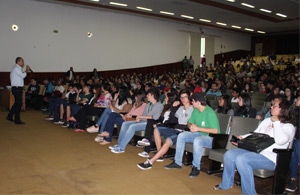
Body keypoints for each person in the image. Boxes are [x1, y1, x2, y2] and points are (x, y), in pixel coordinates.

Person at [214, 98, 295, 194]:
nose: (271, 107)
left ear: (282, 109)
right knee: (229, 154)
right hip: (255, 151)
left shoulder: (288, 126)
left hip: (271, 158)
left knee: (242, 159)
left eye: (274, 106)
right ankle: (226, 183)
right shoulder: (267, 120)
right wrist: (242, 138)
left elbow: (280, 141)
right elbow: (255, 134)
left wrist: (276, 122)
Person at [164, 92, 220, 178]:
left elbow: (215, 131)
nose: (191, 102)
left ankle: (196, 167)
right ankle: (177, 162)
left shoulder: (210, 112)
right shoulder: (196, 110)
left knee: (198, 141)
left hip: (211, 138)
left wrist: (198, 128)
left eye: (193, 101)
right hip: (198, 133)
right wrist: (191, 126)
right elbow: (189, 122)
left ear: (198, 102)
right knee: (182, 136)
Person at [137, 89, 193, 170]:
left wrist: (176, 125)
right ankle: (160, 155)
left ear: (189, 98)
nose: (183, 99)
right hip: (175, 129)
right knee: (156, 129)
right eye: (181, 98)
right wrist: (173, 108)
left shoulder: (193, 109)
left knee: (167, 140)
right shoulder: (180, 108)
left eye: (185, 97)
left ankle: (151, 162)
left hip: (183, 132)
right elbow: (173, 121)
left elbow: (187, 125)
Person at [110, 88, 164, 153]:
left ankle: (121, 147)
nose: (146, 96)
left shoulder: (159, 105)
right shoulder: (148, 105)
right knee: (125, 124)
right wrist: (139, 118)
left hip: (150, 124)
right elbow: (144, 115)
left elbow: (155, 117)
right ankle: (119, 144)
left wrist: (141, 117)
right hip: (143, 121)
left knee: (132, 126)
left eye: (148, 95)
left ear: (152, 95)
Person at [136, 91, 179, 157]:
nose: (165, 99)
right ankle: (146, 148)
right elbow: (161, 118)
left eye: (166, 98)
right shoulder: (165, 107)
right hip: (162, 124)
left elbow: (172, 121)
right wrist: (158, 122)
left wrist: (159, 124)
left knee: (152, 126)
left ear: (170, 99)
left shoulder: (175, 109)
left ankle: (147, 149)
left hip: (168, 126)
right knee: (150, 122)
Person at [6, 57, 31, 125]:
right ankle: (17, 120)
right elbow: (23, 76)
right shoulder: (16, 69)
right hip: (17, 88)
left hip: (17, 88)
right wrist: (26, 70)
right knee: (19, 104)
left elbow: (20, 76)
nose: (23, 63)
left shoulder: (16, 68)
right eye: (22, 61)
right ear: (19, 61)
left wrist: (24, 71)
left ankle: (9, 116)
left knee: (17, 103)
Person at [285, 96, 300, 192]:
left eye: (298, 99)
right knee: (293, 152)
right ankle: (293, 180)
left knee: (295, 147)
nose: (296, 100)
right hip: (295, 139)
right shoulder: (295, 111)